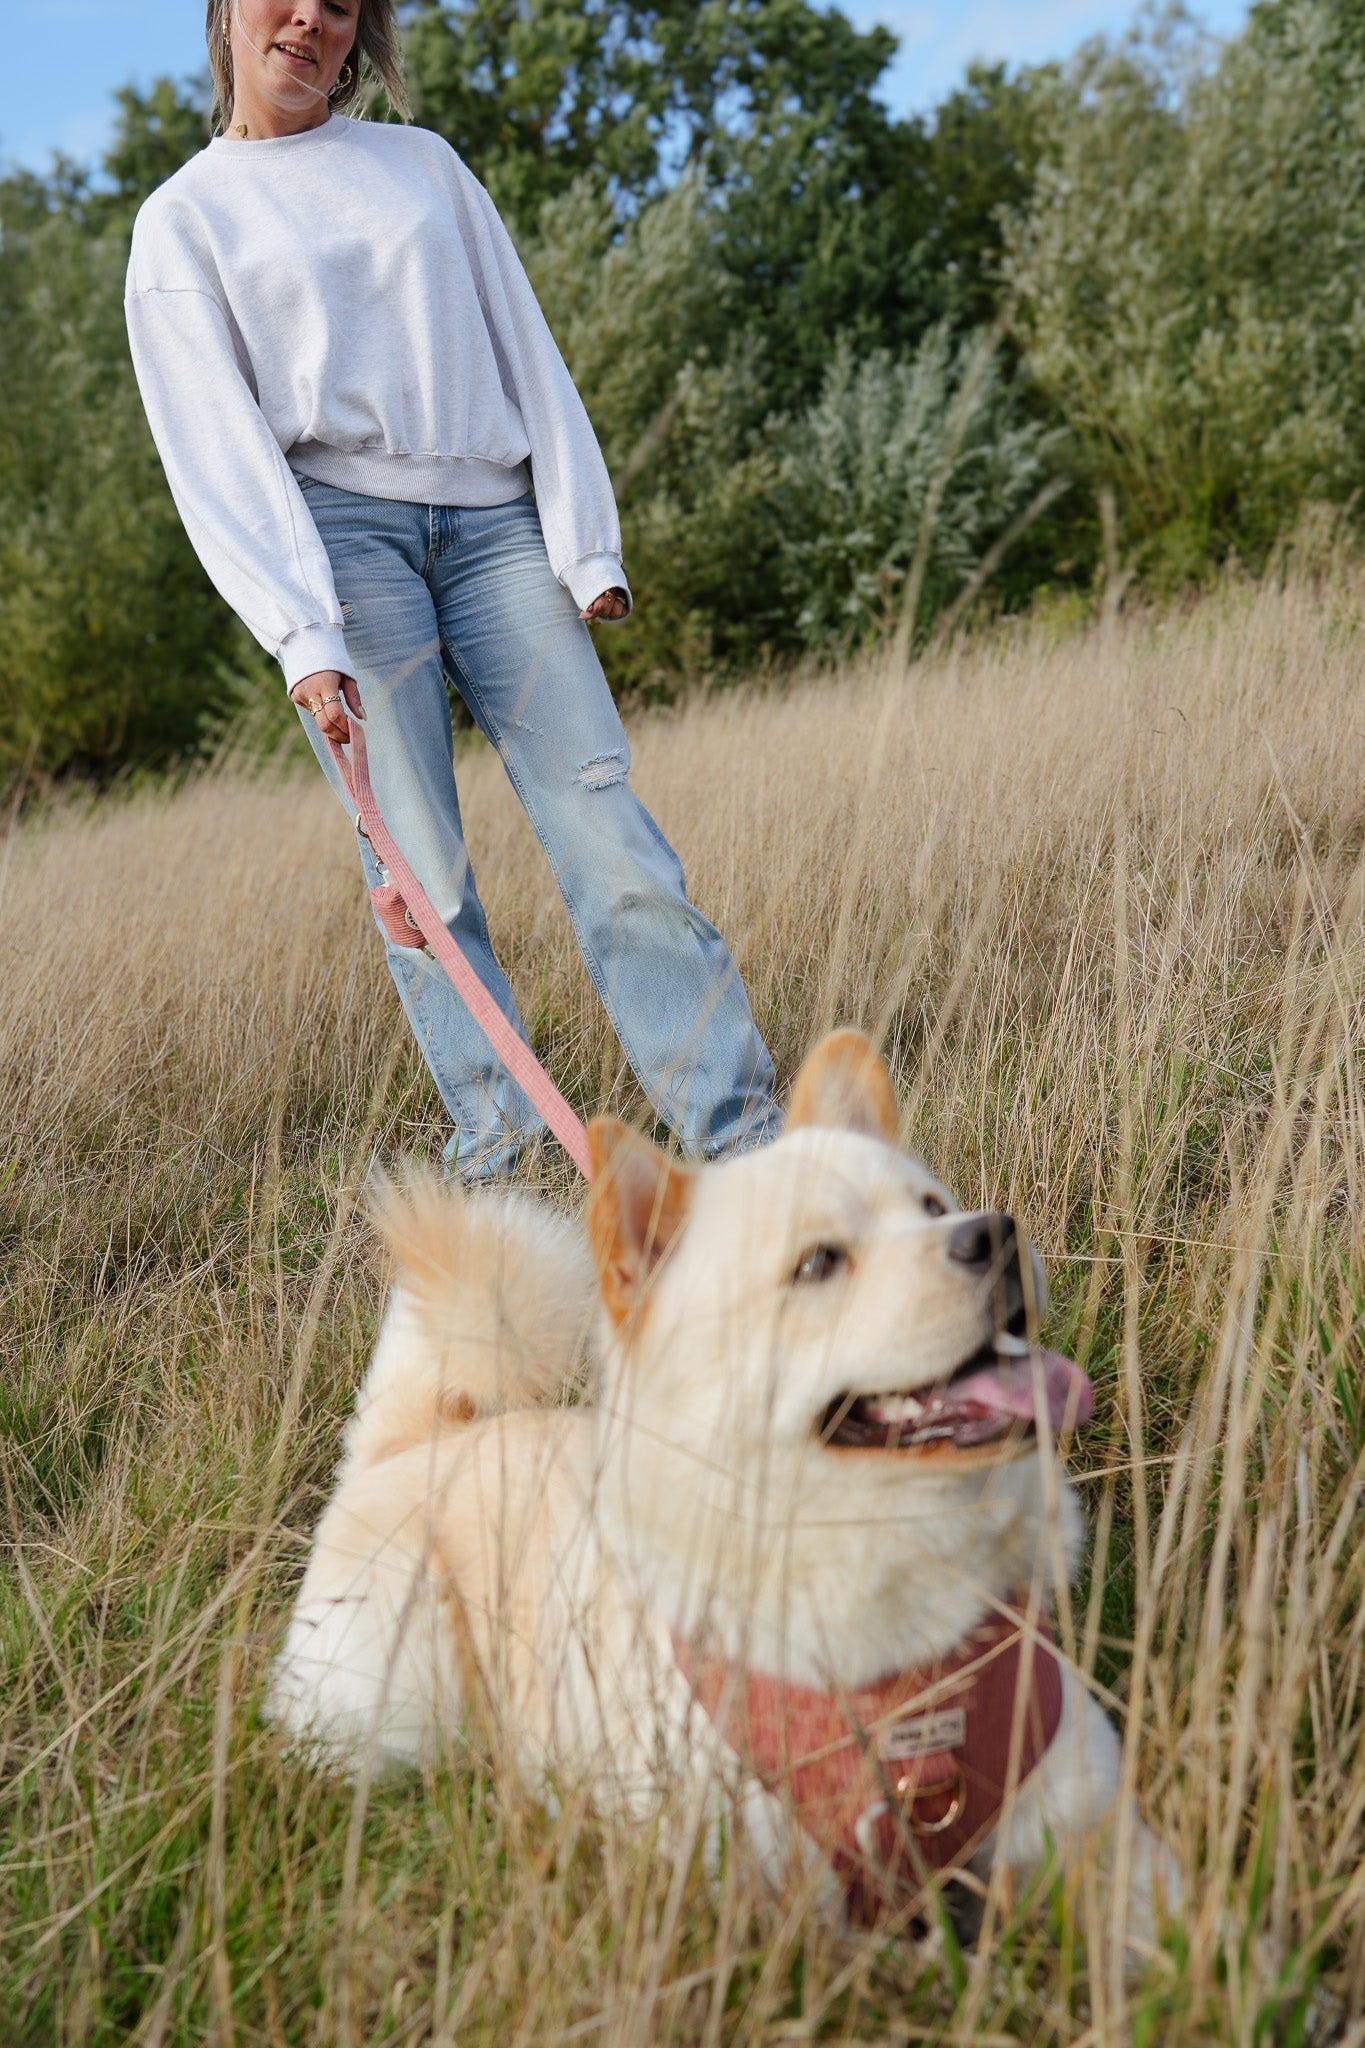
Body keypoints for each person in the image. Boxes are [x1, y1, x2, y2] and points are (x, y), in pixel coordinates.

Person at [125, 0, 777, 1178]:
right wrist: (300, 633)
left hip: (497, 528)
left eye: (342, 5)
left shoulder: (421, 164)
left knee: (615, 840)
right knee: (421, 880)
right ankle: (508, 1153)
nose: (312, 20)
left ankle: (742, 1141)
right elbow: (213, 451)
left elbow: (525, 345)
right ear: (224, 10)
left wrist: (586, 544)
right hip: (342, 543)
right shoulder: (184, 223)